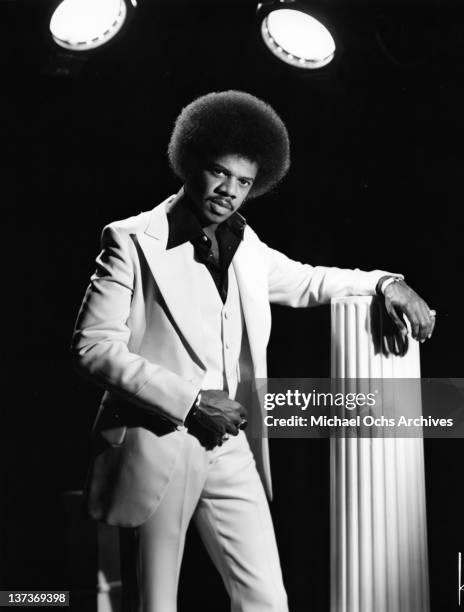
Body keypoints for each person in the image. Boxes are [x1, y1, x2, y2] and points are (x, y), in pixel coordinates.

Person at [71, 90, 435, 612]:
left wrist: (386, 282)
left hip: (231, 446)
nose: (230, 191)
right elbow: (91, 346)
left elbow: (311, 282)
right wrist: (192, 400)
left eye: (244, 182)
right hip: (161, 440)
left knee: (266, 599)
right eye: (220, 173)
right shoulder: (129, 240)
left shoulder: (246, 244)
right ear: (191, 162)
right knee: (156, 602)